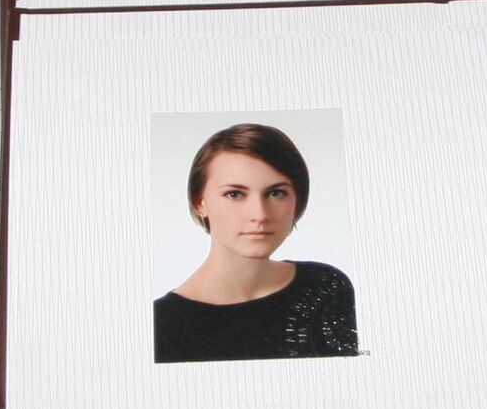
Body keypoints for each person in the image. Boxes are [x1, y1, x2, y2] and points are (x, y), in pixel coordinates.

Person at [154, 123, 359, 362]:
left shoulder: (326, 288)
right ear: (200, 202)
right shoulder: (161, 325)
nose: (259, 214)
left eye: (276, 193)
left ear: (297, 199)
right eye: (234, 194)